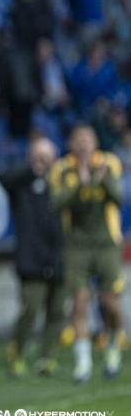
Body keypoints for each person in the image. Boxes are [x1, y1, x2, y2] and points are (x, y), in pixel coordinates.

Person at [49, 124, 125, 383]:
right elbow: (55, 204)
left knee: (110, 303)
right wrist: (77, 185)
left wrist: (103, 180)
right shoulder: (62, 169)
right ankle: (83, 363)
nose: (83, 145)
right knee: (79, 302)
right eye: (78, 140)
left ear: (95, 143)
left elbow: (120, 199)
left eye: (88, 140)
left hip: (106, 243)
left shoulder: (109, 163)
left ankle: (113, 344)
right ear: (70, 143)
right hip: (77, 245)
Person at [0, 137, 64, 377]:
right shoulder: (22, 183)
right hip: (30, 259)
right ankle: (17, 353)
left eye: (47, 156)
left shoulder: (61, 181)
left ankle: (47, 358)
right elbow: (3, 179)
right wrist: (31, 169)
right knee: (30, 310)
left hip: (58, 257)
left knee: (56, 312)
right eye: (38, 155)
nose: (43, 161)